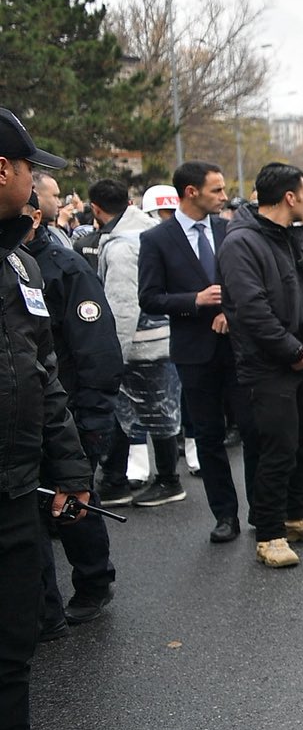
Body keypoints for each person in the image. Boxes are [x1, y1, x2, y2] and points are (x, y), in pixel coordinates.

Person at [0, 109, 103, 730]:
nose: (39, 184)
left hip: (14, 490)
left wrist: (69, 467)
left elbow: (43, 375)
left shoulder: (21, 264)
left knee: (12, 650)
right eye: (32, 170)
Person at [217, 164, 303, 570]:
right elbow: (252, 311)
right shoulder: (241, 242)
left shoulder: (290, 237)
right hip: (268, 366)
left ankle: (294, 517)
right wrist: (293, 352)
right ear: (289, 197)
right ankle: (270, 534)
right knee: (277, 449)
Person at [24, 181, 121, 635]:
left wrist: (93, 418)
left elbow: (97, 350)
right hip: (25, 415)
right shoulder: (12, 264)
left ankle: (93, 582)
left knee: (74, 504)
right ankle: (42, 607)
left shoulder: (65, 268)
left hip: (68, 412)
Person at [138, 160, 247, 544]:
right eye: (217, 190)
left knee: (253, 430)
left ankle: (264, 513)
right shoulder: (157, 239)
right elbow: (149, 298)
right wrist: (194, 300)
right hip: (194, 352)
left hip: (238, 348)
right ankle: (225, 515)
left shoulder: (229, 229)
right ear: (191, 192)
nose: (224, 196)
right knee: (209, 436)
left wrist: (230, 312)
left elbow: (246, 283)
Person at [92, 181, 185, 508]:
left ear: (95, 209)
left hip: (139, 346)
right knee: (147, 413)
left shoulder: (122, 247)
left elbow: (123, 306)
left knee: (146, 415)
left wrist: (111, 356)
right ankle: (124, 479)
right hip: (160, 339)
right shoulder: (148, 232)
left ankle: (162, 481)